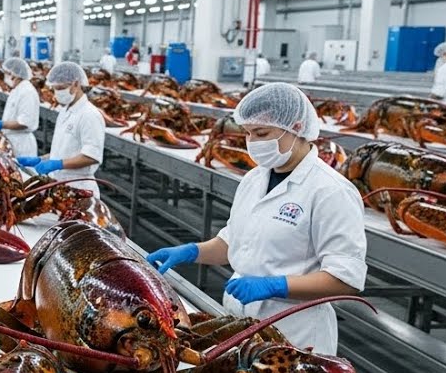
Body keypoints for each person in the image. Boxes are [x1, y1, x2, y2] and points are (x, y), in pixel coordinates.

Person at [145, 82, 367, 354]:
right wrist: (190, 252)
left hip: (294, 333)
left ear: (296, 127)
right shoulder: (255, 178)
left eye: (262, 133)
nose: (253, 143)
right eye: (248, 133)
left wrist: (276, 286)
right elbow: (232, 244)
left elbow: (345, 279)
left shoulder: (331, 191)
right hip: (240, 322)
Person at [16, 62, 104, 199]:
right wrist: (41, 159)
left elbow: (91, 156)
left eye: (61, 88)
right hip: (60, 184)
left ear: (76, 84)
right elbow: (64, 150)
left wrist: (58, 164)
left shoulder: (89, 115)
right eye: (54, 89)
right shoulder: (65, 111)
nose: (57, 94)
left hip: (79, 186)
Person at [0, 57, 40, 157]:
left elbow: (24, 122)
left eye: (6, 73)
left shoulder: (27, 92)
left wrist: (0, 124)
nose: (5, 77)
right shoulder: (17, 89)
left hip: (21, 143)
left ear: (14, 74)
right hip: (12, 139)